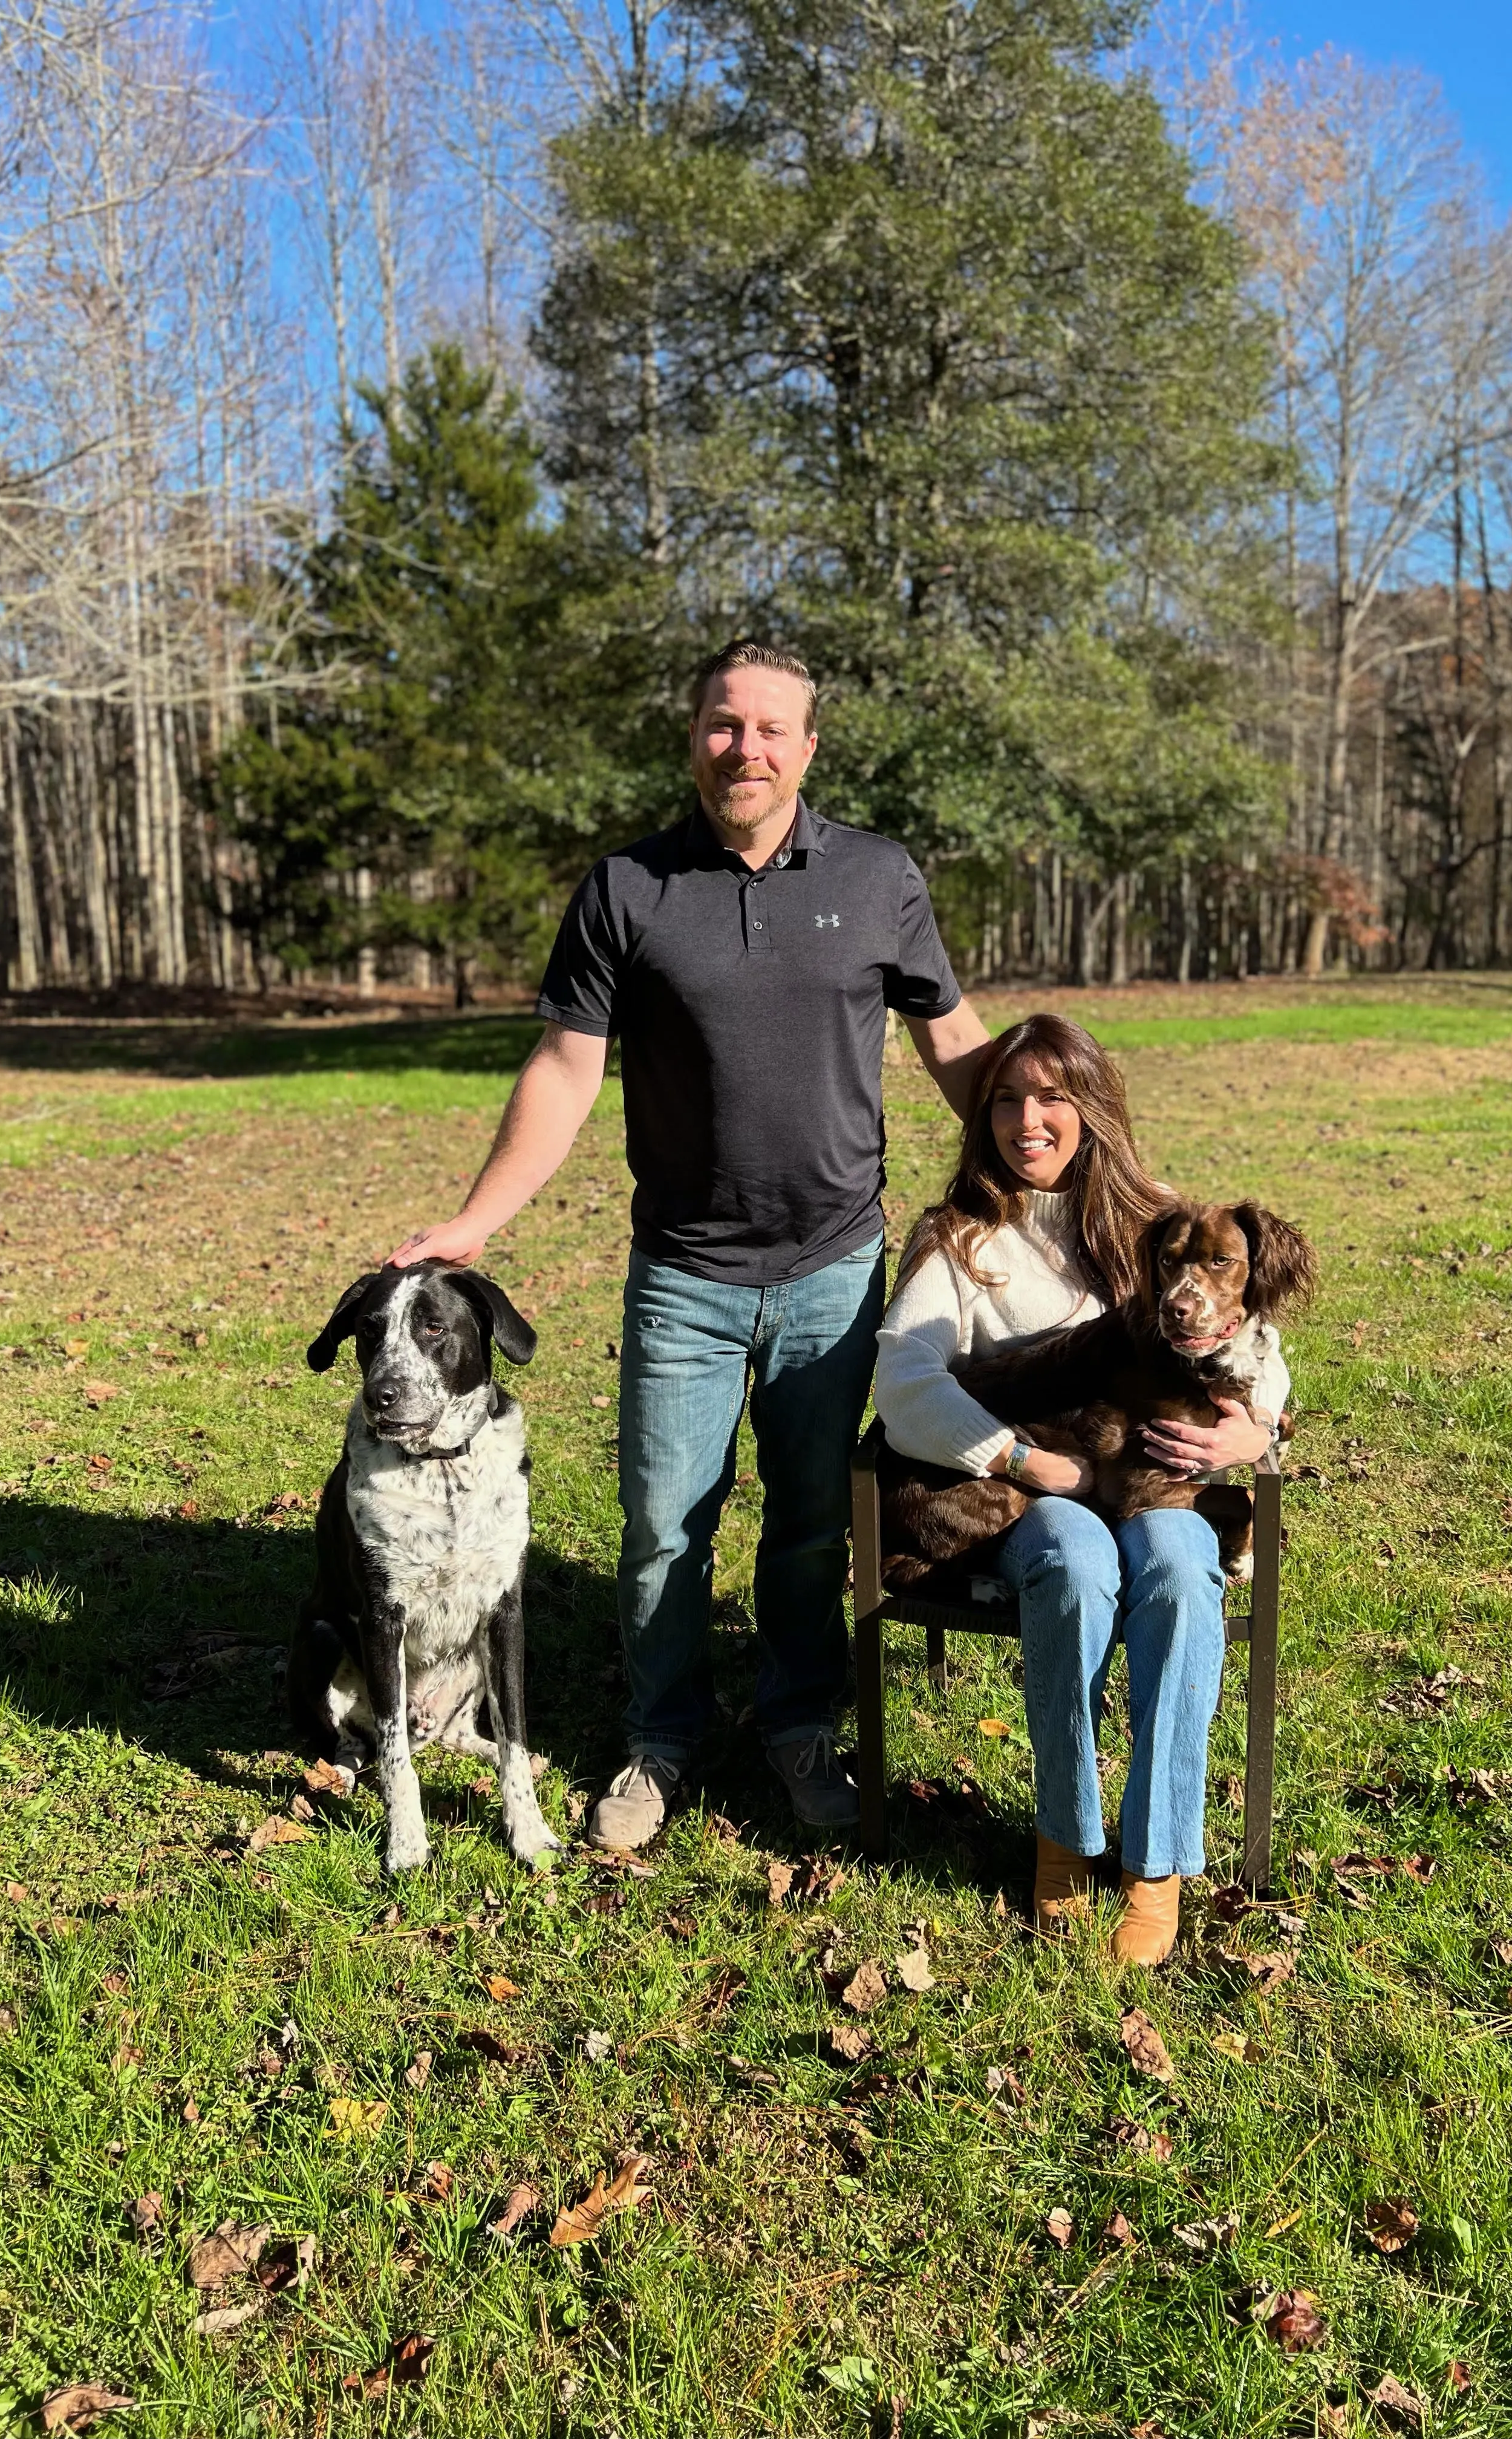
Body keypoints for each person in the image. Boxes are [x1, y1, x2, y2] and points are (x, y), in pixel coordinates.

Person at [392, 640, 989, 1846]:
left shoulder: (878, 879)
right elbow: (566, 1070)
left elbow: (954, 1041)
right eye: (725, 724)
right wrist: (475, 1221)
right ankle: (659, 1741)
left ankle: (797, 1725)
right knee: (664, 1524)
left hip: (835, 1270)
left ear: (809, 748)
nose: (746, 749)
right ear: (694, 735)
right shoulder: (628, 889)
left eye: (773, 729)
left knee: (815, 1521)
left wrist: (1076, 1174)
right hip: (684, 1279)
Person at [873, 1013, 1288, 1967]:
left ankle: (1158, 1863)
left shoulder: (1158, 1220)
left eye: (1052, 1098)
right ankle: (1063, 1839)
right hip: (1042, 1489)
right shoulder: (961, 1239)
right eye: (1009, 1099)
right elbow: (904, 1380)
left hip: (1164, 1485)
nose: (1030, 1121)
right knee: (1071, 1559)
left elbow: (1256, 1343)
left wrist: (1251, 1428)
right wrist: (1023, 1463)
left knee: (1185, 1571)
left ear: (1090, 1107)